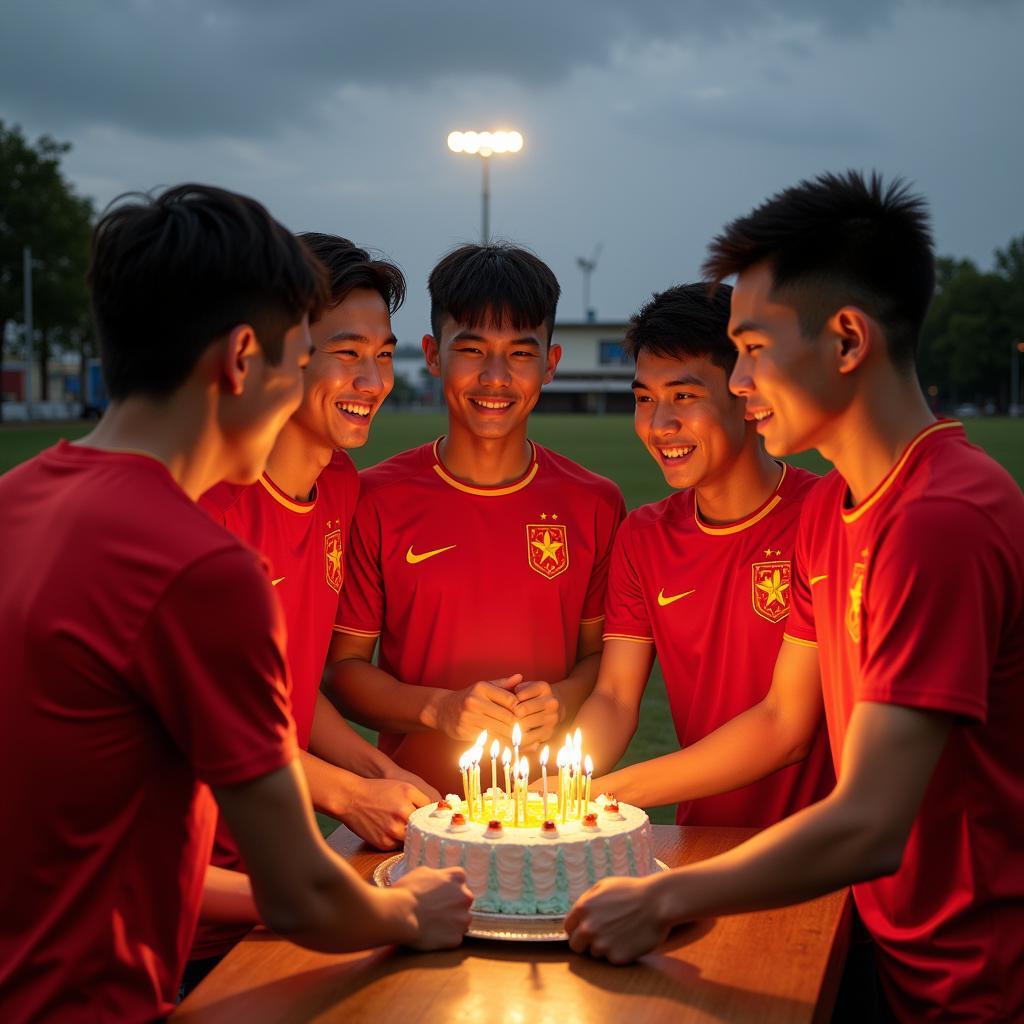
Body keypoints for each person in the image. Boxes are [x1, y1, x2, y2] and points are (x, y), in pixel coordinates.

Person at [0, 185, 471, 1023]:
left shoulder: (15, 499)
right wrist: (409, 908)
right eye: (304, 357)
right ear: (245, 357)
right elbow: (296, 892)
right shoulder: (199, 565)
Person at [564, 172, 1024, 1022]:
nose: (739, 382)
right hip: (891, 939)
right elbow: (782, 718)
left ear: (847, 340)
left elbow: (869, 822)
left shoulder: (942, 518)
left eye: (753, 348)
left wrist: (666, 897)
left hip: (972, 968)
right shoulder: (842, 513)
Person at [187, 234, 441, 990]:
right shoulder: (205, 504)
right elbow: (201, 731)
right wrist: (350, 794)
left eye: (385, 354)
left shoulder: (340, 487)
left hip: (285, 873)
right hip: (187, 896)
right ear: (282, 352)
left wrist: (381, 770)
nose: (373, 379)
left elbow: (294, 701)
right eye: (347, 352)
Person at [328, 242, 626, 795]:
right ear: (434, 355)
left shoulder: (596, 503)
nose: (495, 377)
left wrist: (562, 697)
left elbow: (600, 660)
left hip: (546, 813)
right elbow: (342, 671)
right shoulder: (374, 497)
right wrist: (438, 709)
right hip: (415, 811)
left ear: (550, 364)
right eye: (472, 350)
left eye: (519, 353)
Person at [571, 283, 833, 827]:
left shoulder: (825, 516)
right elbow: (616, 700)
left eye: (684, 396)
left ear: (748, 393)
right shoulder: (643, 536)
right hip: (702, 843)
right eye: (644, 398)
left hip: (822, 855)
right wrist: (562, 779)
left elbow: (787, 727)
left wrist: (606, 793)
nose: (659, 424)